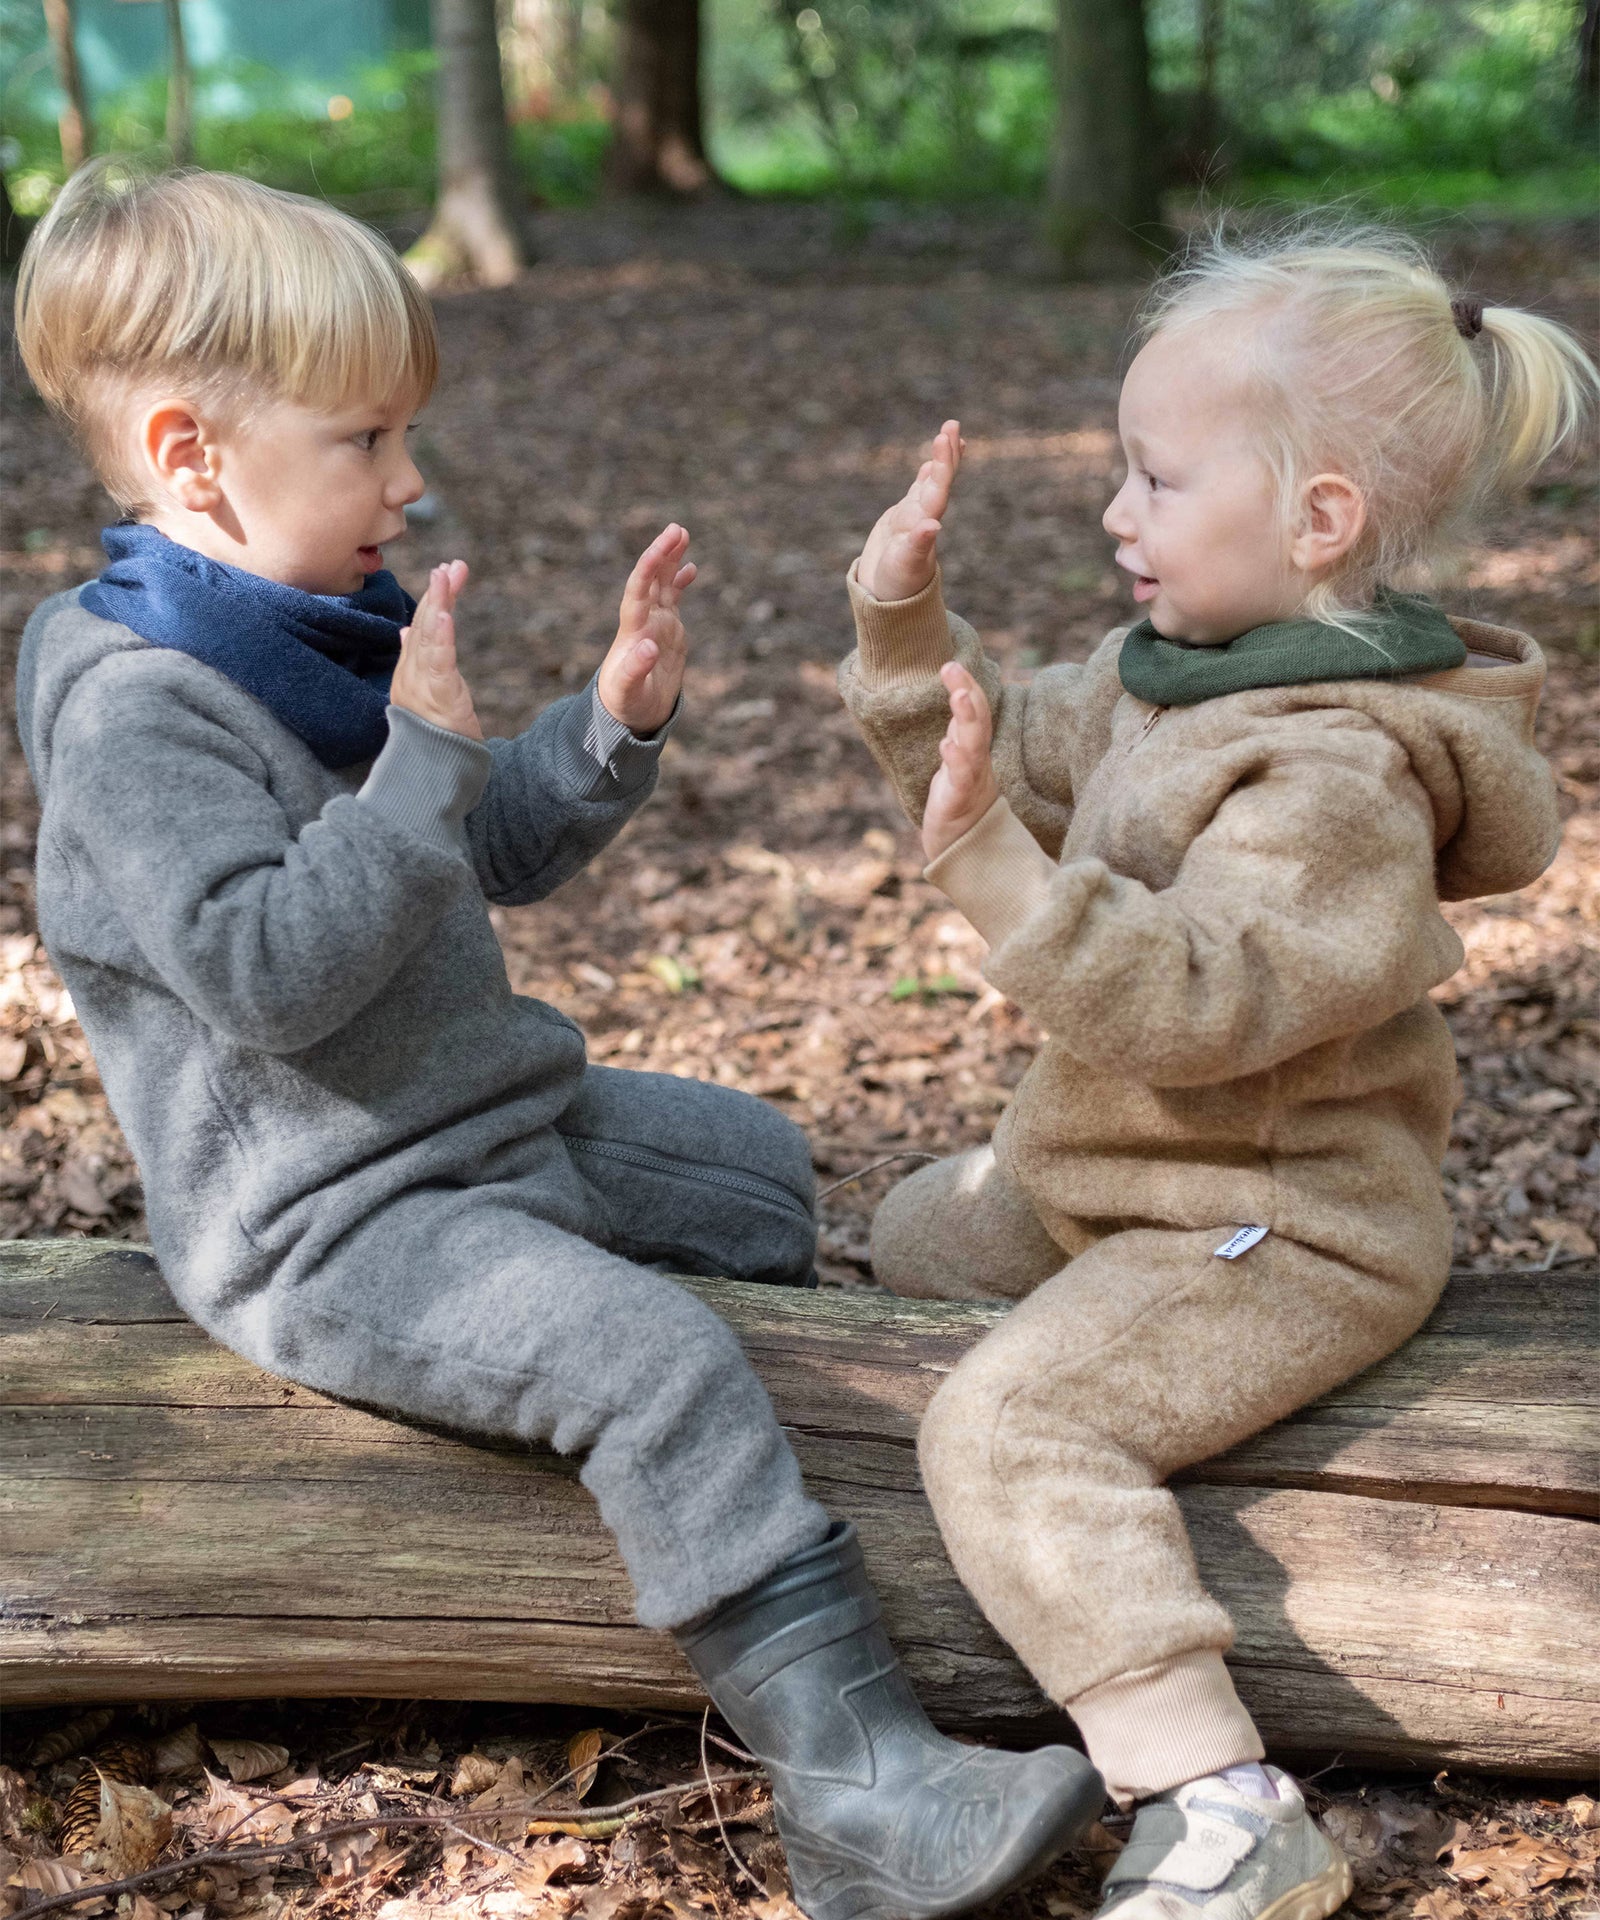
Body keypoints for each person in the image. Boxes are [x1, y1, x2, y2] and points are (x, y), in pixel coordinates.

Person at [13, 163, 1103, 1920]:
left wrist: (599, 724)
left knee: (755, 1179)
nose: (409, 478)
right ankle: (856, 1796)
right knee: (654, 1363)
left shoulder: (292, 626)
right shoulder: (139, 710)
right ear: (190, 453)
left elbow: (474, 857)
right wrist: (424, 763)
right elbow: (273, 974)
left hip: (478, 1114)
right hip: (332, 1214)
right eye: (366, 439)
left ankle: (827, 1448)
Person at [838, 223, 1596, 1920]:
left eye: (1158, 479)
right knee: (914, 1236)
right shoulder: (1164, 672)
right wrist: (905, 637)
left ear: (1318, 519)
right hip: (1114, 1176)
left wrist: (999, 886)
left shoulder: (1340, 776)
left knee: (1008, 1424)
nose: (1119, 511)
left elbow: (1205, 1003)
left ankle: (1221, 1798)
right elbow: (1000, 758)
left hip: (1279, 1221)